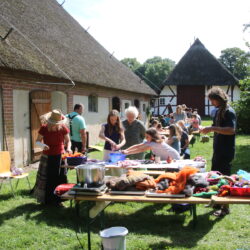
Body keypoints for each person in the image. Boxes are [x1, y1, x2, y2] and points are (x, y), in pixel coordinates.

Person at [200, 87, 236, 217]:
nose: (211, 103)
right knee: (215, 176)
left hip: (226, 151)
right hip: (218, 149)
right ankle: (216, 201)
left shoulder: (228, 112)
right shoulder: (218, 111)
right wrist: (207, 131)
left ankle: (225, 208)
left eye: (212, 100)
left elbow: (231, 130)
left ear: (217, 99)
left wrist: (212, 128)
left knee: (224, 179)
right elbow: (217, 129)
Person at [33, 109, 71, 206]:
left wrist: (69, 148)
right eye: (52, 123)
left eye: (56, 123)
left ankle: (60, 201)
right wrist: (43, 146)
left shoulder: (63, 128)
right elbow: (37, 142)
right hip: (48, 156)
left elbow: (68, 141)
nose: (54, 125)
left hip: (60, 155)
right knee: (48, 179)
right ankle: (47, 201)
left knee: (61, 177)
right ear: (49, 121)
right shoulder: (44, 128)